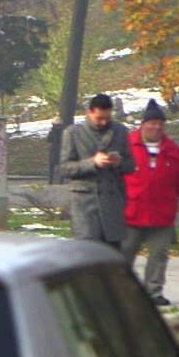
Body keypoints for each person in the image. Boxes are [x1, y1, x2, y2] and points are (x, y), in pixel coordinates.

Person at [123, 99, 179, 303]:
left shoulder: (173, 151)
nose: (155, 127)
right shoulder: (126, 146)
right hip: (131, 213)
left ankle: (153, 293)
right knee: (124, 256)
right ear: (143, 124)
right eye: (152, 122)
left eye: (159, 123)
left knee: (158, 257)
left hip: (162, 215)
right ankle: (120, 293)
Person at [61, 93, 136, 245]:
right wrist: (92, 163)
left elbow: (131, 165)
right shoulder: (73, 133)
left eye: (107, 118)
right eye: (99, 118)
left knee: (112, 256)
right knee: (89, 256)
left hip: (113, 203)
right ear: (89, 112)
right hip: (85, 206)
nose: (103, 122)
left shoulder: (120, 131)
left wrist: (118, 162)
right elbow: (64, 168)